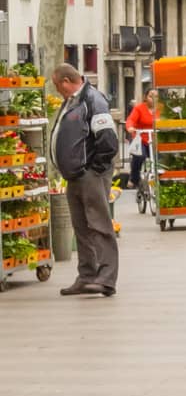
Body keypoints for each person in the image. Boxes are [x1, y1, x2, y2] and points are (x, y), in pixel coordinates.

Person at [51, 64, 120, 297]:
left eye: (57, 86)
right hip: (76, 176)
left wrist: (94, 169)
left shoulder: (94, 100)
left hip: (90, 174)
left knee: (99, 225)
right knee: (81, 227)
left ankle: (107, 279)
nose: (57, 91)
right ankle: (87, 275)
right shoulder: (72, 101)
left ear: (66, 82)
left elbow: (108, 139)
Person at [124, 87, 155, 191]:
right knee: (140, 156)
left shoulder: (161, 109)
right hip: (140, 138)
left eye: (156, 96)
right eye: (151, 96)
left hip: (154, 139)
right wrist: (130, 127)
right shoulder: (139, 108)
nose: (154, 99)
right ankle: (134, 178)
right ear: (145, 97)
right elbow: (131, 119)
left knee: (161, 158)